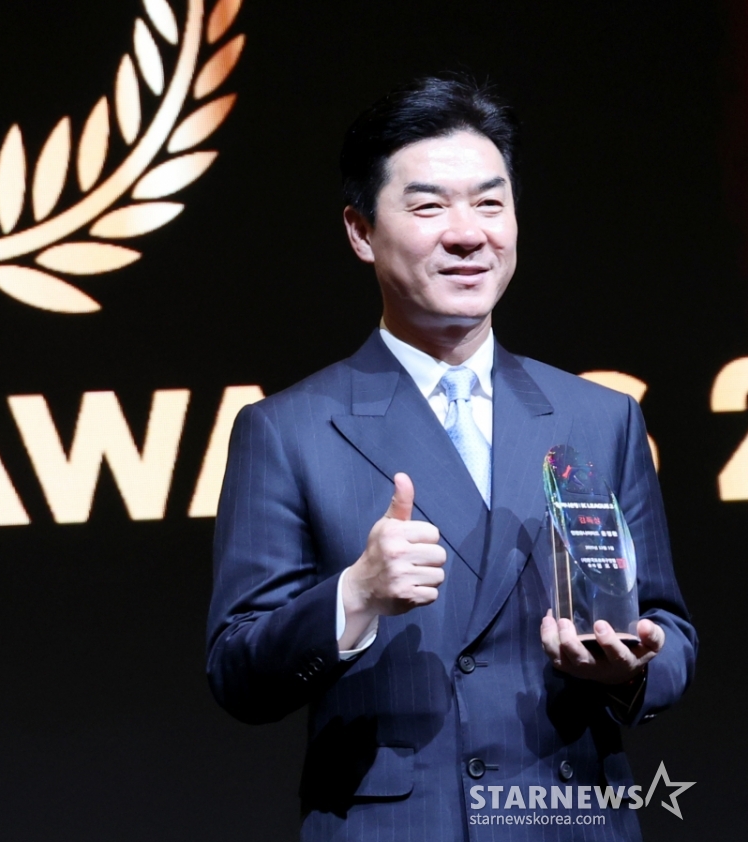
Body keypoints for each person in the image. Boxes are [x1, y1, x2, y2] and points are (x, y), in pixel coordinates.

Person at [206, 75, 697, 841]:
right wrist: (353, 597)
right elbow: (238, 672)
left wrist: (630, 670)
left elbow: (668, 628)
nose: (468, 235)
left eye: (490, 204)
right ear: (361, 231)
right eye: (429, 207)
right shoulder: (289, 430)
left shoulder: (598, 417)